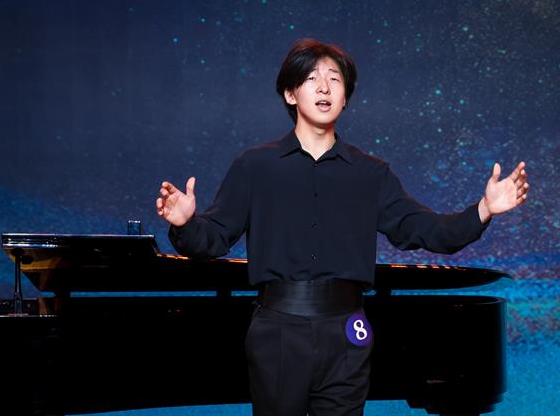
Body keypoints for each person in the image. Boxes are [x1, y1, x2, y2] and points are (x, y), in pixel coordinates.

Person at [156, 38, 529, 416]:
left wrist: (484, 209)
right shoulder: (256, 166)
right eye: (311, 78)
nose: (324, 87)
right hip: (278, 328)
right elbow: (214, 238)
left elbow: (429, 230)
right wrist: (186, 224)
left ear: (345, 97)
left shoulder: (370, 173)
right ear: (290, 94)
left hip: (349, 329)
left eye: (334, 79)